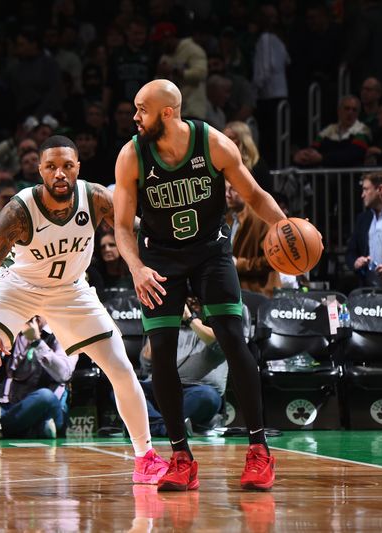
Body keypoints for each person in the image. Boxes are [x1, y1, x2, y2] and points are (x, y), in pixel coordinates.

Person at [0, 135, 168, 490]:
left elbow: (130, 230)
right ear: (39, 170)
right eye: (51, 166)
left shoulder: (96, 197)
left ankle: (145, 457)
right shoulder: (18, 211)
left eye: (67, 166)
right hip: (17, 289)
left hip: (71, 289)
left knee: (119, 364)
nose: (59, 173)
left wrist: (145, 259)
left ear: (77, 168)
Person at [113, 79, 286, 491]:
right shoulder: (131, 156)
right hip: (158, 259)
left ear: (167, 113)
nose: (135, 117)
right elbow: (121, 226)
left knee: (231, 336)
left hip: (210, 250)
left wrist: (285, 224)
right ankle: (181, 457)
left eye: (142, 109)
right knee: (162, 354)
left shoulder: (213, 143)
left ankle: (259, 450)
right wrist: (136, 268)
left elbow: (255, 194)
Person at [0, 316, 78, 440]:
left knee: (45, 396)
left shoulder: (62, 334)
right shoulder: (17, 334)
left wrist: (37, 342)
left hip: (45, 408)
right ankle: (27, 429)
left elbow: (64, 374)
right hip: (10, 408)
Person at [139, 296, 230, 437]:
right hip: (162, 389)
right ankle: (164, 427)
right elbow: (147, 365)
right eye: (187, 301)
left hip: (197, 391)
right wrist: (158, 325)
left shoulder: (215, 322)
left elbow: (221, 344)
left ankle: (153, 426)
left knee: (208, 396)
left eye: (195, 302)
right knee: (124, 387)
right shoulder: (170, 324)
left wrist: (190, 319)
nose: (191, 305)